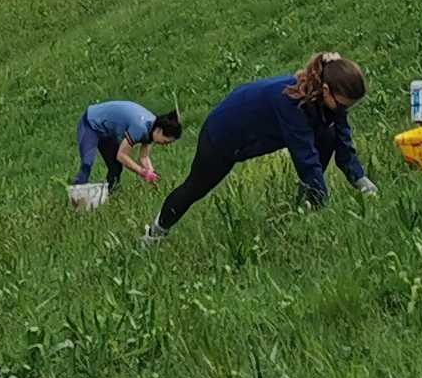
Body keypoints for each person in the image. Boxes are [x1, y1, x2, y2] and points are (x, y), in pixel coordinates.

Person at [142, 52, 374, 243]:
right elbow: (305, 157)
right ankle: (155, 233)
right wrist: (326, 207)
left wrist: (361, 181)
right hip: (223, 134)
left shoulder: (329, 101)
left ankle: (306, 205)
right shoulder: (291, 103)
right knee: (195, 188)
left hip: (254, 131)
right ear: (325, 90)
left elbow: (342, 139)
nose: (345, 110)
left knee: (329, 134)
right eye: (343, 105)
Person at [72, 98, 183, 197]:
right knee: (87, 162)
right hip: (91, 122)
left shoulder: (153, 128)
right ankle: (77, 197)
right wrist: (142, 172)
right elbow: (121, 155)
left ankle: (112, 195)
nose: (165, 145)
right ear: (159, 130)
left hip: (108, 131)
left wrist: (151, 173)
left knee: (115, 167)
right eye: (165, 141)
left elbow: (144, 157)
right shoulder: (140, 127)